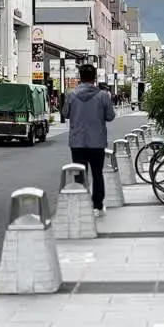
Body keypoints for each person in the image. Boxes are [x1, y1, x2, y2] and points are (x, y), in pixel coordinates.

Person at [63, 63, 116, 217]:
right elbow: (110, 116)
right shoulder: (103, 96)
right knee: (97, 173)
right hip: (97, 141)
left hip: (77, 141)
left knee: (80, 173)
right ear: (94, 78)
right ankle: (98, 204)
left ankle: (82, 202)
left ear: (80, 77)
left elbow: (65, 113)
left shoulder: (72, 95)